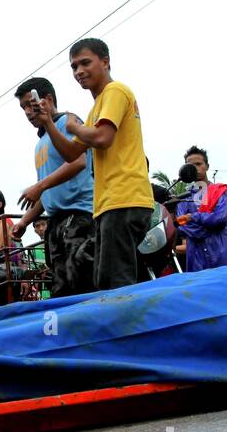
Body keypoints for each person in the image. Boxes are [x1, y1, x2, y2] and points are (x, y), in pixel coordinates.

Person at [35, 38, 153, 289]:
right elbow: (72, 152)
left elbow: (102, 137)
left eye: (85, 63)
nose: (79, 71)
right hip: (107, 204)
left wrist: (74, 126)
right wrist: (48, 123)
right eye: (74, 67)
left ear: (106, 62)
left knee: (115, 283)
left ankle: (125, 327)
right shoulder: (95, 110)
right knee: (103, 279)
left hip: (124, 198)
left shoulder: (115, 91)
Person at [13, 78, 96, 297]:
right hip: (56, 222)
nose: (28, 112)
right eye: (23, 108)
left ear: (47, 100)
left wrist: (39, 185)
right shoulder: (40, 143)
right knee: (61, 287)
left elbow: (79, 161)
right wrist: (24, 221)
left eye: (31, 104)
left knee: (81, 285)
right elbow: (47, 191)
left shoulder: (67, 122)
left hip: (78, 216)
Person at [174, 147, 227, 272]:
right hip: (196, 261)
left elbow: (219, 219)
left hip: (223, 257)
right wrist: (208, 226)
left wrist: (192, 217)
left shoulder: (220, 191)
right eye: (190, 165)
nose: (195, 168)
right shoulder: (183, 198)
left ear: (207, 166)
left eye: (198, 164)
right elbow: (182, 225)